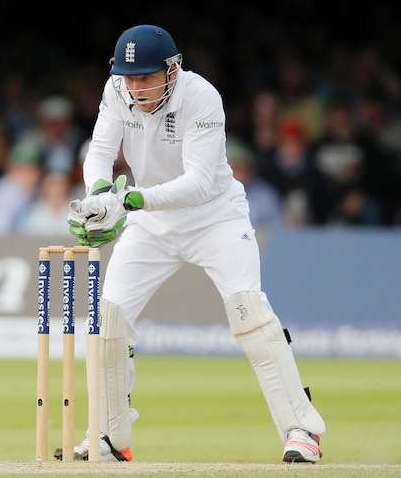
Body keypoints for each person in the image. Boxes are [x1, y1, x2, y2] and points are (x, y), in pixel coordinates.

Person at [66, 25, 325, 464]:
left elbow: (199, 183)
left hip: (215, 218)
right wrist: (98, 195)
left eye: (145, 77)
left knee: (249, 312)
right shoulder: (117, 90)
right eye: (129, 77)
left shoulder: (201, 96)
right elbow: (99, 151)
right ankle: (110, 437)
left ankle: (302, 430)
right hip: (151, 224)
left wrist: (127, 201)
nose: (135, 87)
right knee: (108, 319)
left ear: (172, 69)